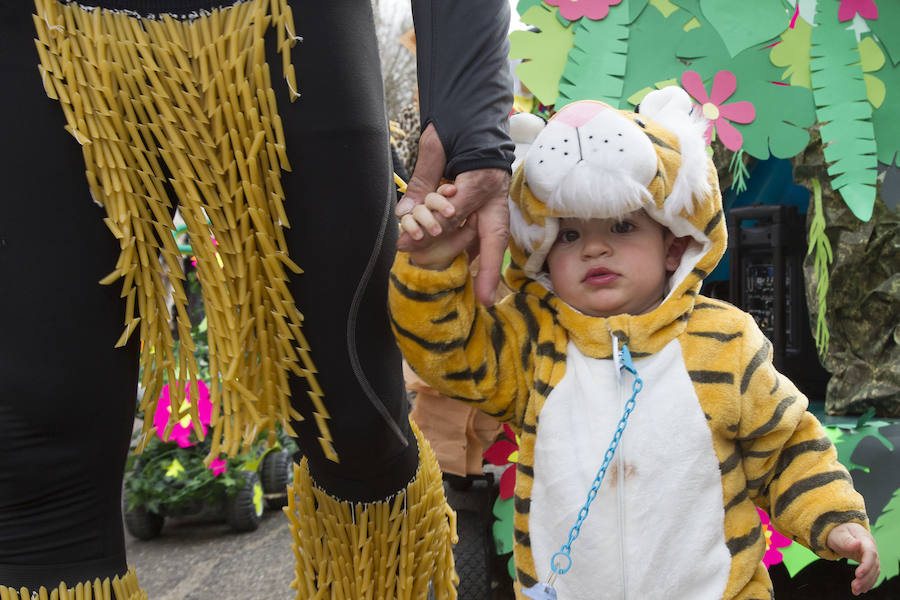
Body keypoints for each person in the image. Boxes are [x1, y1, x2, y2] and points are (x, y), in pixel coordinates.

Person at [0, 0, 513, 597]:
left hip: (289, 25)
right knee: (40, 450)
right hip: (44, 33)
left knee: (354, 423)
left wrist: (472, 123)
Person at [389, 87, 880, 599]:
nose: (595, 247)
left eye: (622, 226)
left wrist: (834, 517)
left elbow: (786, 449)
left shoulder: (724, 342)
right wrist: (432, 267)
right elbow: (448, 355)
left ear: (675, 245)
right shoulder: (530, 340)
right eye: (570, 235)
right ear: (541, 252)